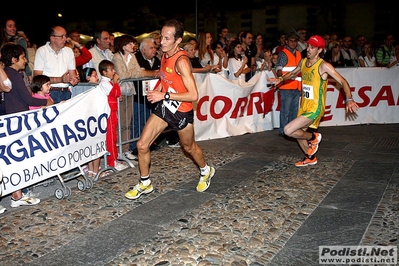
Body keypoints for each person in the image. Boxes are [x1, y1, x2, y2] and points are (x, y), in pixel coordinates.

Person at [124, 19, 215, 200]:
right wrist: (159, 88)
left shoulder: (182, 61)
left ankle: (206, 170)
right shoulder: (165, 54)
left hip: (182, 110)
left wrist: (164, 96)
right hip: (165, 107)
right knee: (142, 145)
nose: (162, 42)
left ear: (178, 40)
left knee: (189, 147)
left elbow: (193, 95)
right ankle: (145, 182)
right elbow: (165, 76)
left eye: (167, 38)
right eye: (161, 37)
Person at [269, 35, 359, 167]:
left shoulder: (324, 66)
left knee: (288, 130)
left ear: (320, 50)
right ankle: (310, 157)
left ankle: (314, 137)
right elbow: (293, 73)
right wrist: (281, 80)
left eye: (312, 47)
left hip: (315, 108)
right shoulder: (303, 62)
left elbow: (342, 81)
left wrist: (349, 99)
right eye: (308, 46)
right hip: (304, 105)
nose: (308, 49)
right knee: (299, 134)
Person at [1, 43, 53, 208]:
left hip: (12, 117)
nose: (25, 61)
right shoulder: (14, 75)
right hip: (16, 119)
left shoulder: (9, 74)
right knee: (16, 158)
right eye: (23, 58)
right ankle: (17, 195)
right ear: (14, 59)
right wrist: (47, 101)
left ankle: (17, 194)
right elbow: (28, 99)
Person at [111, 35, 159, 160]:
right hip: (120, 92)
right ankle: (117, 150)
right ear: (123, 45)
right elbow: (123, 74)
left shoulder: (132, 57)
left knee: (127, 123)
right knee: (120, 122)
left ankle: (125, 149)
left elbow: (137, 73)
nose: (133, 46)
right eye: (130, 43)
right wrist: (132, 73)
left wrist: (131, 74)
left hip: (130, 91)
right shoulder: (116, 57)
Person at [34, 26, 79, 104]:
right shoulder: (42, 51)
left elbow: (72, 75)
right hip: (49, 93)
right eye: (62, 36)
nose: (65, 39)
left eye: (66, 36)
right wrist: (60, 79)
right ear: (52, 38)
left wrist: (74, 79)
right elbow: (37, 78)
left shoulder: (69, 51)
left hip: (66, 92)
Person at [98, 59, 128, 171]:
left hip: (112, 111)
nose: (114, 71)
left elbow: (114, 94)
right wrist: (116, 83)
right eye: (111, 70)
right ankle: (112, 162)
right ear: (104, 72)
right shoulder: (105, 83)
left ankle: (114, 158)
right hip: (108, 112)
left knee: (113, 136)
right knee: (110, 137)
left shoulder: (108, 83)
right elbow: (115, 92)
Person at [79, 67, 105, 177]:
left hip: (94, 120)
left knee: (96, 145)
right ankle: (91, 170)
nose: (97, 78)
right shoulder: (84, 89)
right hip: (88, 120)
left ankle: (95, 170)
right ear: (88, 77)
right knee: (90, 146)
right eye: (95, 75)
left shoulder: (97, 88)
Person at [275, 32, 302, 136]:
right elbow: (278, 67)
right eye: (291, 41)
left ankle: (292, 129)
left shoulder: (298, 53)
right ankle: (283, 130)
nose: (293, 43)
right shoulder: (283, 53)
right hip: (287, 86)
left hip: (296, 86)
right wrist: (281, 77)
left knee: (294, 110)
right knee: (286, 110)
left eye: (295, 41)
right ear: (286, 42)